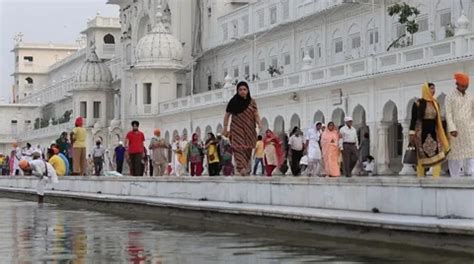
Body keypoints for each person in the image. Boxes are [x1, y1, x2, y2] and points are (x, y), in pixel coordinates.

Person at [409, 82, 450, 177]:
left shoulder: (435, 103)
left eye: (434, 89)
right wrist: (411, 134)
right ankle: (420, 178)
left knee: (438, 156)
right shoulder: (417, 103)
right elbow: (413, 120)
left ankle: (436, 178)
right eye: (431, 88)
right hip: (421, 134)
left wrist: (442, 133)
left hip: (434, 132)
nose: (433, 91)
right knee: (421, 158)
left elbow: (438, 120)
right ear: (426, 90)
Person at [223, 81, 262, 176]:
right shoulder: (233, 102)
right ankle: (241, 168)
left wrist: (259, 123)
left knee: (248, 148)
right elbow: (227, 115)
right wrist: (225, 128)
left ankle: (245, 167)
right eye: (240, 90)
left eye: (244, 89)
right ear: (237, 91)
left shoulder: (252, 102)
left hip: (249, 129)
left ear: (248, 90)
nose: (242, 91)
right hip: (237, 130)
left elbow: (255, 114)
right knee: (238, 148)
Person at [445, 72, 474, 177]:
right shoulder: (450, 97)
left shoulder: (471, 96)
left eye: (466, 86)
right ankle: (455, 176)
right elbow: (448, 113)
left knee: (471, 153)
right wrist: (452, 128)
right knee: (455, 155)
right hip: (455, 131)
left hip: (470, 129)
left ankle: (470, 174)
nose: (464, 88)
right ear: (457, 83)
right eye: (462, 86)